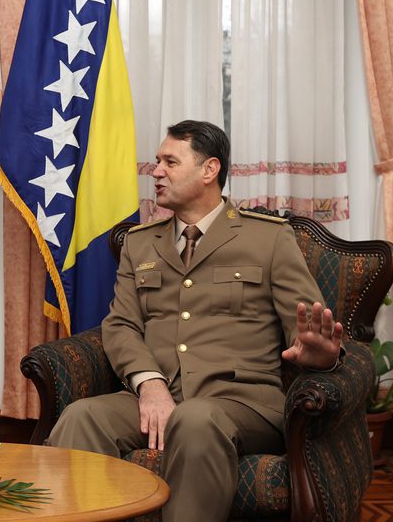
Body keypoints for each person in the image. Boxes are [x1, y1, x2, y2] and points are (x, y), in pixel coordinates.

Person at [47, 120, 342, 522]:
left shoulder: (268, 238)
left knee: (195, 419)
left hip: (241, 403)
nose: (156, 172)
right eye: (157, 162)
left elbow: (305, 325)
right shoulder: (139, 243)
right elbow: (120, 325)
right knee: (80, 416)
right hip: (153, 397)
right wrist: (149, 383)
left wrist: (318, 355)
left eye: (170, 161)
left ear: (209, 170)